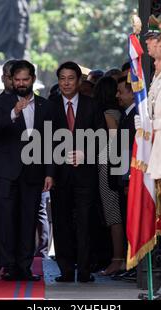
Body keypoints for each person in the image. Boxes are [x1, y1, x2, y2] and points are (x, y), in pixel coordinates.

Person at [0, 60, 54, 281]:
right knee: (6, 221)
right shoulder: (0, 102)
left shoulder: (45, 106)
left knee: (29, 221)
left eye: (25, 80)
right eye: (17, 80)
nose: (21, 84)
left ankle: (25, 267)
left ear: (33, 79)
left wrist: (49, 172)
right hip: (6, 172)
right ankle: (8, 266)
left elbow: (50, 142)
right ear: (11, 80)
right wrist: (13, 112)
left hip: (34, 172)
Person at [50, 61, 106, 283]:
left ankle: (83, 269)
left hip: (85, 175)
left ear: (79, 81)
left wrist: (86, 154)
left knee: (85, 222)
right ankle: (65, 269)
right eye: (62, 78)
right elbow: (42, 141)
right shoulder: (50, 105)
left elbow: (102, 139)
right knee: (61, 222)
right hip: (59, 175)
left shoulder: (92, 105)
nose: (66, 83)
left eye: (70, 78)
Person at [93, 76, 126, 276]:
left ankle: (117, 259)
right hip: (116, 165)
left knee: (113, 213)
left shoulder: (107, 115)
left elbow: (114, 143)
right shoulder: (120, 112)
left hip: (108, 166)